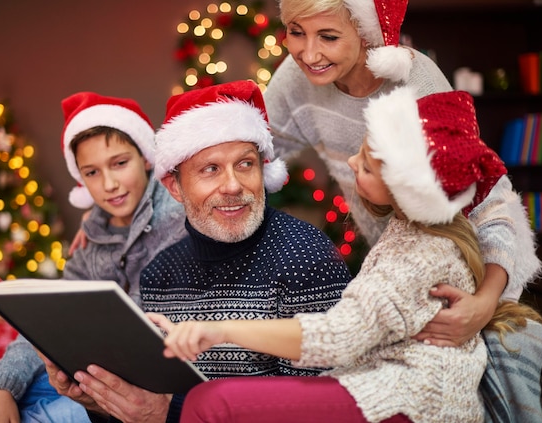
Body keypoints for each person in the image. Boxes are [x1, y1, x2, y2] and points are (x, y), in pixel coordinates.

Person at [152, 87, 542, 423]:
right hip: (383, 385)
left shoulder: (419, 255)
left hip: (412, 401)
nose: (352, 163)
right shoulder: (406, 232)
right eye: (210, 170)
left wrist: (219, 330)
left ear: (403, 187)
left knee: (212, 403)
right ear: (174, 186)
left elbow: (339, 338)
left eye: (369, 166)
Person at [39, 80, 352, 423]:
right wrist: (102, 400)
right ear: (174, 186)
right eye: (210, 169)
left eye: (245, 164)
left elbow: (318, 413)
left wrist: (169, 413)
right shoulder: (161, 275)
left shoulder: (305, 258)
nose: (233, 185)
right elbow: (148, 406)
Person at [264, 0, 542, 345]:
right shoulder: (295, 78)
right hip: (394, 264)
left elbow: (490, 203)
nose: (308, 53)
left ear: (366, 33)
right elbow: (256, 148)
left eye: (329, 37)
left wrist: (485, 303)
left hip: (469, 271)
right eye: (296, 33)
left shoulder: (415, 82)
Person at [0, 92, 187, 423]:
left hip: (142, 387)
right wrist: (2, 387)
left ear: (146, 158)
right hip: (85, 375)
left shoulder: (177, 220)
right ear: (80, 178)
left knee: (47, 416)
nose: (109, 184)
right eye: (91, 173)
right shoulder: (89, 241)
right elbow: (47, 323)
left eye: (120, 163)